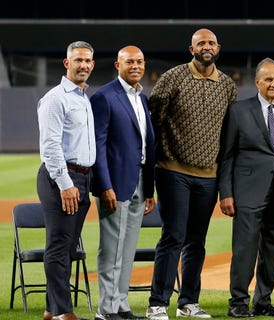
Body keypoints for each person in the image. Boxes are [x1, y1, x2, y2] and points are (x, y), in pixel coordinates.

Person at [145, 28, 238, 320]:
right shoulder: (173, 77)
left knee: (196, 241)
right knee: (173, 236)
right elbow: (153, 122)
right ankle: (157, 303)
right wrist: (158, 164)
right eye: (201, 43)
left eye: (211, 43)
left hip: (209, 177)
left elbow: (228, 135)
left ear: (218, 48)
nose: (206, 47)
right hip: (173, 171)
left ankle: (188, 302)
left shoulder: (226, 85)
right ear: (191, 49)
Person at [219, 57, 274, 318]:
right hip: (247, 192)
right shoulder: (239, 111)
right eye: (268, 79)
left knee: (273, 251)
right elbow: (227, 156)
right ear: (257, 82)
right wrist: (226, 193)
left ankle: (263, 301)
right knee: (245, 250)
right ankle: (238, 303)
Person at [90, 45, 156, 320]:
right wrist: (104, 186)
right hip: (115, 184)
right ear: (118, 66)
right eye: (130, 62)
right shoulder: (104, 97)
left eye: (140, 61)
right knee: (112, 249)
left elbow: (147, 144)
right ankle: (107, 309)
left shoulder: (142, 98)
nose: (136, 66)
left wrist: (150, 188)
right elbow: (98, 146)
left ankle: (121, 304)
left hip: (140, 181)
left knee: (127, 249)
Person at [37, 40, 95, 320]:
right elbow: (50, 146)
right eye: (78, 60)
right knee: (59, 246)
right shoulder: (56, 98)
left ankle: (51, 310)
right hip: (62, 177)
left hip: (82, 178)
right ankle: (63, 312)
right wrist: (65, 183)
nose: (83, 65)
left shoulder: (84, 97)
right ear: (67, 63)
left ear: (92, 65)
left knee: (68, 248)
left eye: (87, 61)